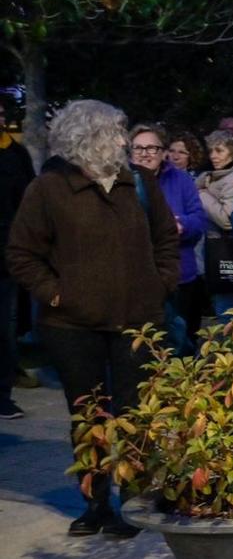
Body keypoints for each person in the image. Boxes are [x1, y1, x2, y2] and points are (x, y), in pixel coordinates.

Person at [5, 100, 178, 537]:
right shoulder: (48, 188)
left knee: (136, 413)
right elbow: (22, 254)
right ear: (88, 136)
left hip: (137, 321)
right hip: (71, 326)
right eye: (116, 132)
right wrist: (56, 294)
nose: (124, 141)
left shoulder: (138, 183)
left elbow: (165, 240)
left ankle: (135, 501)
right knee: (88, 417)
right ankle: (95, 503)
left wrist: (161, 284)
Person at [128, 124, 208, 354]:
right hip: (137, 278)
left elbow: (199, 220)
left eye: (152, 148)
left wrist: (180, 224)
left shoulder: (181, 180)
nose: (145, 154)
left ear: (164, 152)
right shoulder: (121, 182)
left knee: (182, 342)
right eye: (138, 148)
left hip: (179, 274)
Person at [0, 96, 36, 419]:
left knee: (5, 327)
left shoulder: (15, 153)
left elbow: (28, 200)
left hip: (7, 256)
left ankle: (3, 392)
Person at [196, 129, 233, 318]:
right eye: (211, 150)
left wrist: (202, 194)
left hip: (227, 250)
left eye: (219, 151)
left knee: (228, 313)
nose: (213, 156)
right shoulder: (217, 175)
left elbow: (228, 221)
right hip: (219, 250)